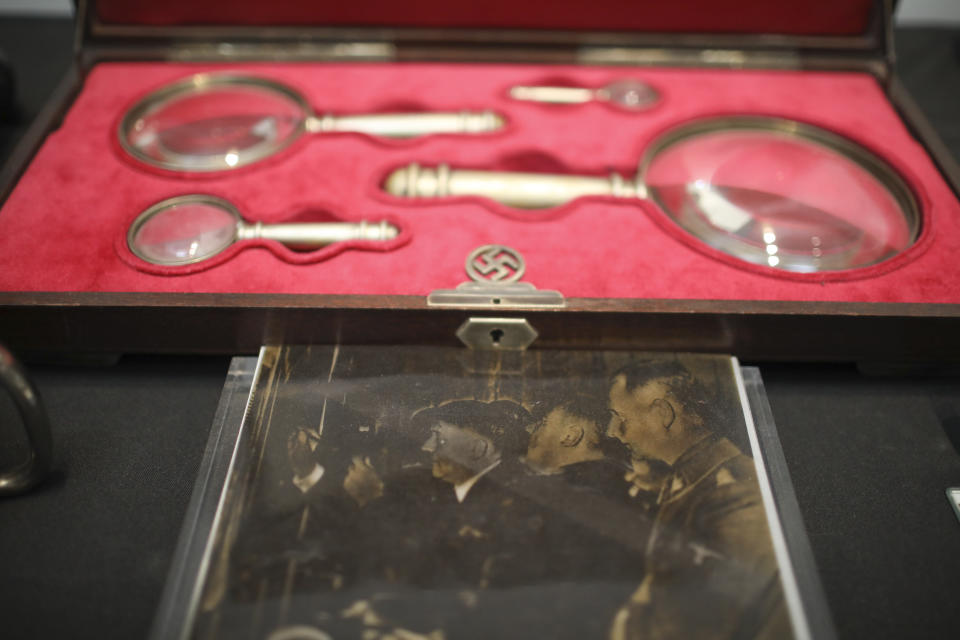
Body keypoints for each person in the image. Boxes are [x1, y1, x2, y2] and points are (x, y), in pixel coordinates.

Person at [606, 360, 792, 640]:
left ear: (662, 414)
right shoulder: (693, 478)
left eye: (620, 417)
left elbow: (696, 627)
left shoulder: (732, 494)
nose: (612, 431)